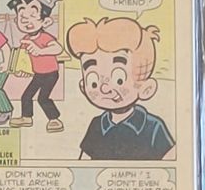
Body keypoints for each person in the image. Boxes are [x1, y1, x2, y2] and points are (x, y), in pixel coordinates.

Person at [72, 17, 176, 160]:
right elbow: (84, 163)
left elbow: (172, 162)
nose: (104, 88)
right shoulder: (97, 125)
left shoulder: (153, 126)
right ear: (83, 87)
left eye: (119, 79)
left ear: (146, 88)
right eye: (93, 82)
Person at [6, 0, 64, 131]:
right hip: (38, 74)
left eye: (32, 15)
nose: (27, 20)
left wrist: (40, 50)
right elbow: (23, 60)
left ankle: (54, 120)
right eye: (22, 17)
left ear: (46, 21)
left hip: (51, 73)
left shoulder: (45, 37)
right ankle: (26, 118)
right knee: (26, 96)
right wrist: (20, 70)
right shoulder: (25, 39)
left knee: (42, 98)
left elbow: (58, 48)